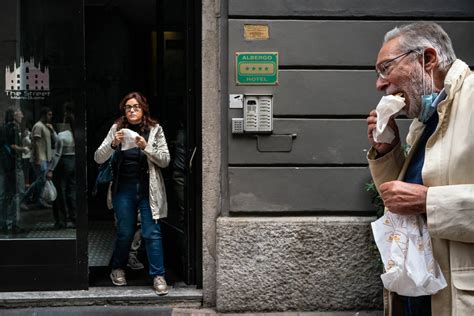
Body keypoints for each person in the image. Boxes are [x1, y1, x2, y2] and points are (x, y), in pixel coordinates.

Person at [366, 22, 474, 315]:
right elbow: (402, 205)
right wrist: (388, 152)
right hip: (421, 292)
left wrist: (429, 201)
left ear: (427, 59)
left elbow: (420, 200)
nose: (380, 84)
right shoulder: (425, 121)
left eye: (386, 68)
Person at [94, 91, 170, 295]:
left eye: (136, 107)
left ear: (143, 109)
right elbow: (98, 158)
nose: (132, 110)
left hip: (148, 190)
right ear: (124, 111)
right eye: (128, 107)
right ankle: (118, 268)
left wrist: (147, 147)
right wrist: (113, 144)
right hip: (123, 190)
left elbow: (165, 160)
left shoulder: (155, 130)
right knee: (125, 232)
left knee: (152, 233)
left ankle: (158, 276)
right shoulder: (116, 128)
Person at [22, 107, 56, 209]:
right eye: (49, 114)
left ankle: (38, 200)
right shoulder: (38, 126)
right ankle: (24, 199)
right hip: (40, 158)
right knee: (41, 179)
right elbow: (36, 143)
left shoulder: (46, 126)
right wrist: (37, 158)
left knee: (42, 180)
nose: (51, 116)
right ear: (44, 115)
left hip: (45, 158)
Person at [48, 111, 76, 229]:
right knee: (71, 191)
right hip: (74, 161)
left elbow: (58, 153)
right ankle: (74, 218)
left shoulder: (62, 135)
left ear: (65, 121)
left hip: (63, 162)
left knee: (60, 191)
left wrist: (50, 169)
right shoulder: (75, 133)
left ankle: (61, 220)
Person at [2, 108, 28, 234]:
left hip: (8, 166)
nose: (22, 115)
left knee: (10, 194)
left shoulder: (6, 127)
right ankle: (13, 223)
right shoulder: (13, 128)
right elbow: (12, 146)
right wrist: (24, 149)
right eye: (20, 113)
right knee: (19, 193)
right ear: (14, 115)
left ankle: (7, 222)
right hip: (15, 165)